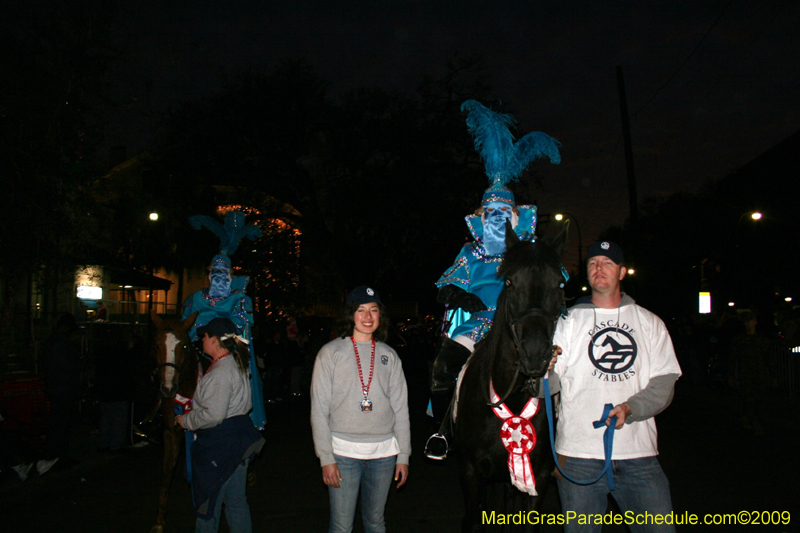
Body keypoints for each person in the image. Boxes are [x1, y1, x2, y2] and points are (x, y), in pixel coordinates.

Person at [425, 99, 561, 459]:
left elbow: (555, 280)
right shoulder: (470, 252)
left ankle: (564, 432)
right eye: (490, 211)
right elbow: (445, 287)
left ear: (515, 215)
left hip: (524, 325)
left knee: (560, 370)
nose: (497, 217)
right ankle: (443, 432)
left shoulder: (529, 250)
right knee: (442, 367)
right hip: (479, 325)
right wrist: (458, 295)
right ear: (481, 216)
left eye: (503, 211)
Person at [551, 241, 682, 532]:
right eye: (592, 263)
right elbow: (546, 388)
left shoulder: (649, 322)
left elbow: (664, 382)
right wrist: (540, 370)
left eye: (608, 262)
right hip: (578, 456)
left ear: (622, 272)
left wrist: (630, 408)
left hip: (639, 456)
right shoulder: (567, 322)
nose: (599, 268)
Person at [310, 286, 411, 533]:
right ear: (350, 314)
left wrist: (403, 455)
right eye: (361, 310)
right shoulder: (330, 353)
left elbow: (400, 409)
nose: (368, 317)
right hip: (342, 453)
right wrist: (326, 457)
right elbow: (319, 409)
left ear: (380, 316)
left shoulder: (389, 355)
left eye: (373, 310)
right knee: (341, 525)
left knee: (376, 522)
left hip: (384, 454)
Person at [176, 318, 265, 533]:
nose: (202, 340)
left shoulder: (221, 372)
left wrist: (185, 420)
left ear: (215, 340)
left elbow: (214, 415)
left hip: (220, 449)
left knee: (208, 506)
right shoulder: (235, 364)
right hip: (236, 445)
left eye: (205, 336)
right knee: (236, 503)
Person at [182, 211, 266, 430]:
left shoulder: (239, 299)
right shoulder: (196, 297)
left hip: (228, 347)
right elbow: (186, 324)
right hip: (198, 344)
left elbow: (240, 328)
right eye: (215, 270)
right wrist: (196, 335)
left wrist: (216, 331)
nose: (219, 274)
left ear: (230, 274)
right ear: (209, 274)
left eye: (223, 270)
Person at [39, 313, 84, 475]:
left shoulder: (52, 342)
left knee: (57, 425)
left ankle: (56, 456)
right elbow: (67, 365)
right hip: (62, 389)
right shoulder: (60, 344)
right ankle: (58, 458)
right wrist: (79, 363)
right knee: (61, 426)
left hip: (56, 388)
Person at [730, 311, 771, 435]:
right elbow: (732, 359)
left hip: (759, 373)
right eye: (746, 322)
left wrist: (773, 375)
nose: (748, 324)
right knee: (748, 398)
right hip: (745, 374)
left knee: (759, 398)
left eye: (750, 321)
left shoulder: (761, 340)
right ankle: (751, 420)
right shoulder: (739, 340)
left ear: (755, 322)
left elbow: (768, 358)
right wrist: (730, 375)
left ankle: (753, 418)